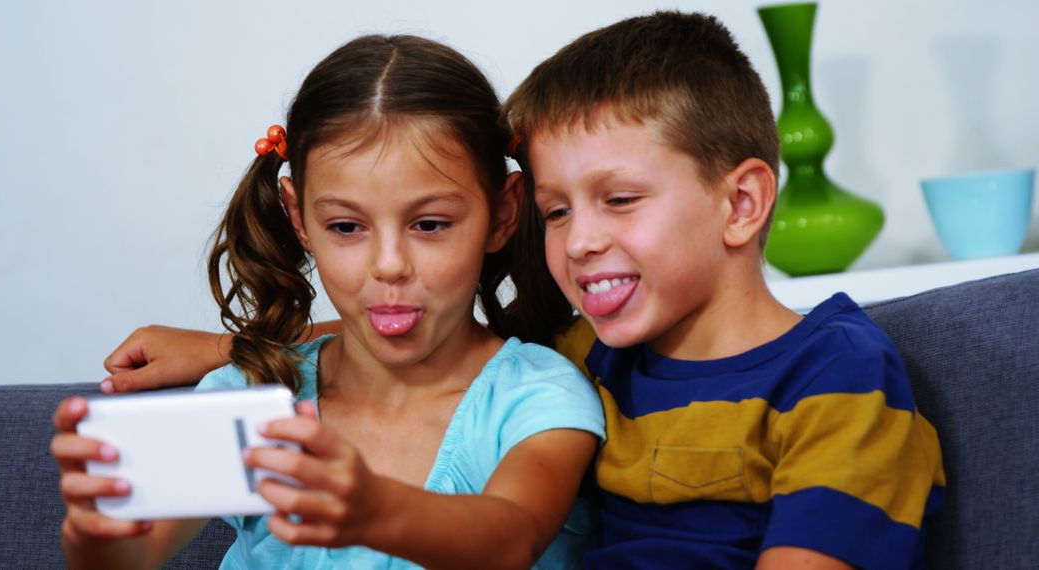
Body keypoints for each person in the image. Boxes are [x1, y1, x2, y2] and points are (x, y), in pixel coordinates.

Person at [101, 11, 946, 569]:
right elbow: (414, 333)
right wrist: (229, 351)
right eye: (554, 209)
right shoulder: (592, 353)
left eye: (618, 200)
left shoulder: (837, 376)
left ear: (741, 202)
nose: (577, 241)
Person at [51, 34, 604, 570]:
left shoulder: (538, 397)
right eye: (346, 226)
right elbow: (133, 557)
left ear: (502, 213)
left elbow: (510, 539)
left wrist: (376, 510)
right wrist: (97, 536)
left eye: (430, 223)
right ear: (299, 218)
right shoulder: (251, 394)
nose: (389, 264)